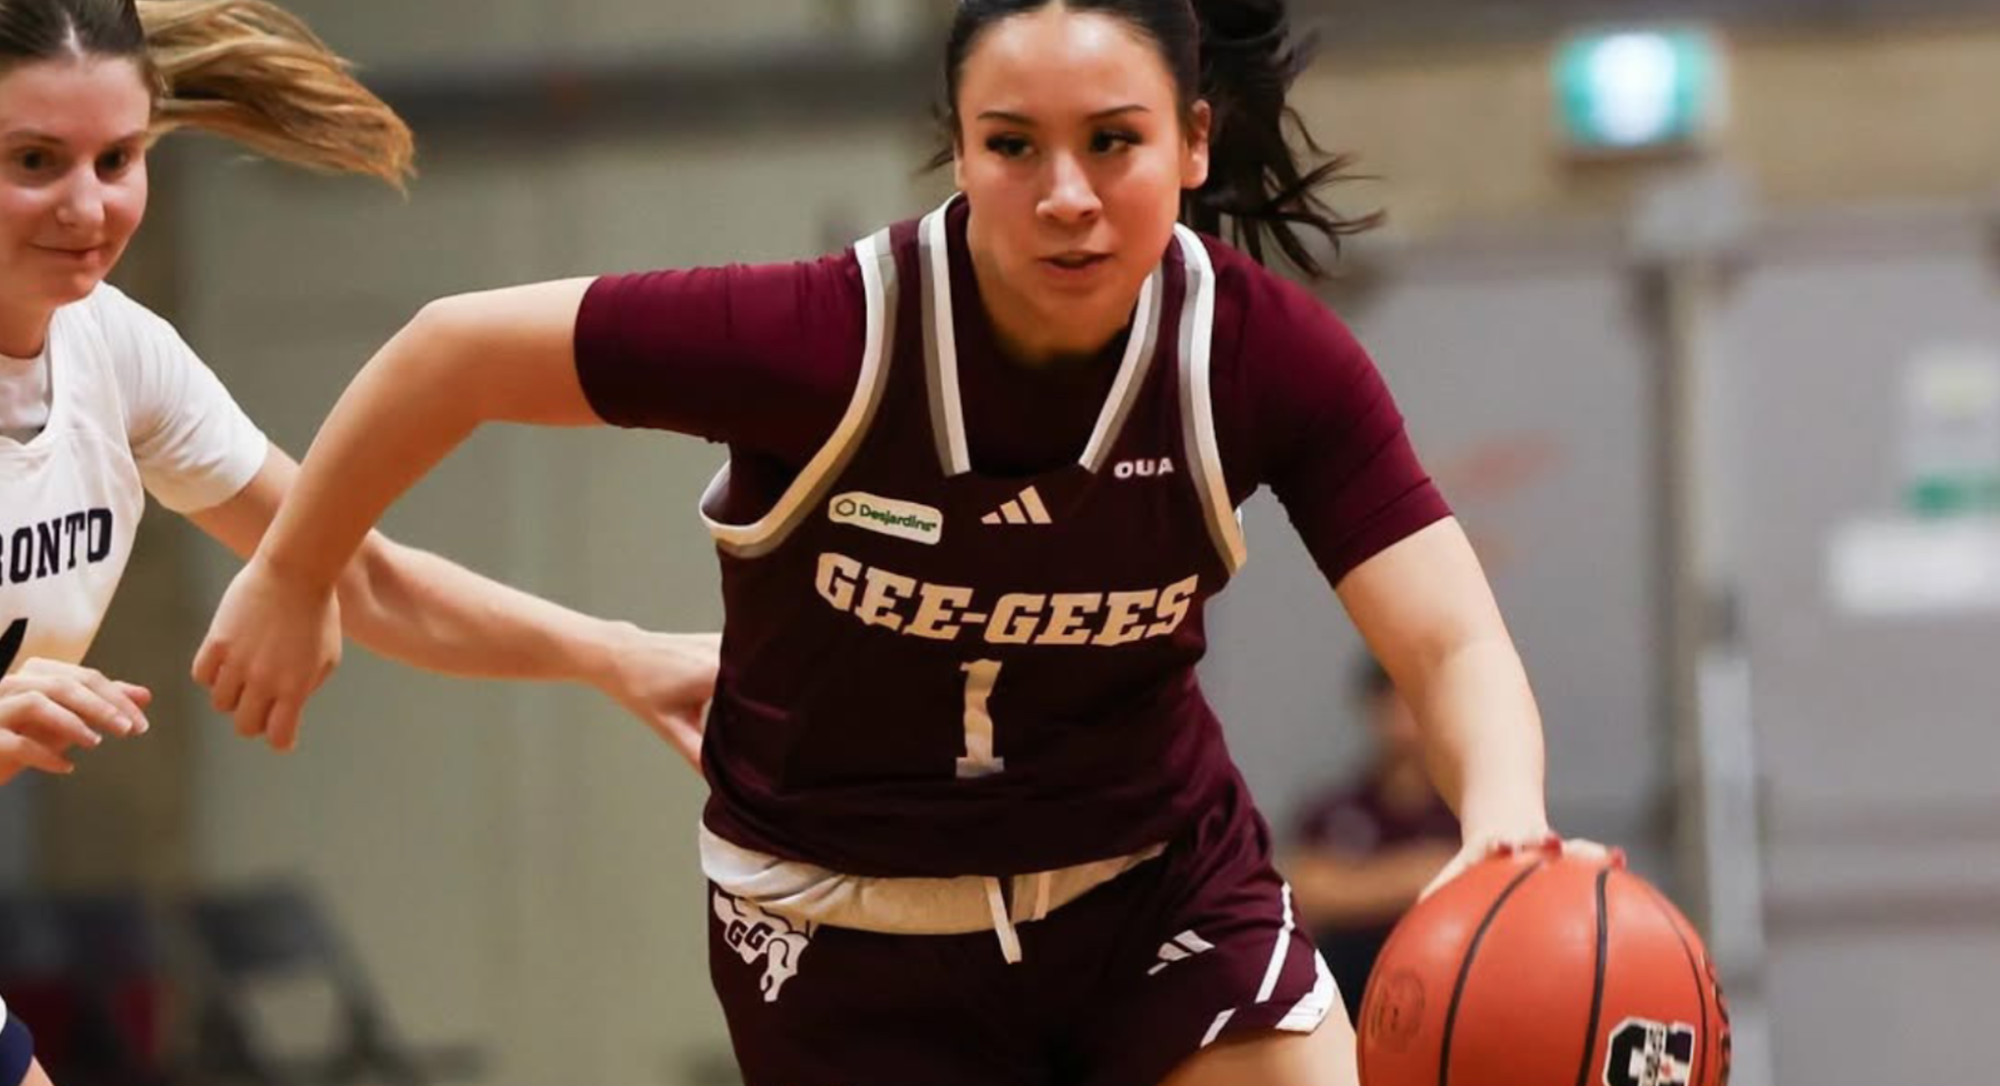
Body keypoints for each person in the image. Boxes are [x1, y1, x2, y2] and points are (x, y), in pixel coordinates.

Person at [195, 1, 1593, 1083]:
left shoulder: (1259, 356)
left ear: (1196, 141)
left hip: (1153, 891)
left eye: (1114, 140)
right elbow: (453, 351)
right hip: (843, 929)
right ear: (956, 143)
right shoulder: (826, 338)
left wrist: (1502, 818)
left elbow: (1448, 633)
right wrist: (294, 567)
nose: (1065, 193)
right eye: (1013, 145)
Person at [0, 3, 717, 1079]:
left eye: (119, 158)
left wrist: (620, 657)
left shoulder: (116, 355)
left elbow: (361, 575)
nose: (88, 206)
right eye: (33, 161)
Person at [1286, 657, 1460, 1023]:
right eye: (1392, 697)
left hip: (1448, 988)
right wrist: (1415, 876)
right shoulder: (1334, 808)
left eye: (1415, 696)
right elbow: (1305, 890)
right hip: (1350, 993)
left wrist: (1358, 884)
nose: (1404, 713)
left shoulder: (1465, 808)